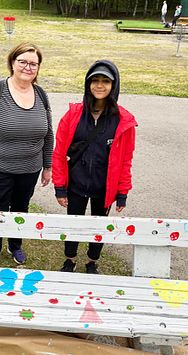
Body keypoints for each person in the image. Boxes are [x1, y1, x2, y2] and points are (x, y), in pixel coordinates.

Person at [0, 42, 53, 267]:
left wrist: (47, 166)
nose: (28, 67)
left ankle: (15, 245)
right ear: (12, 63)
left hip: (30, 169)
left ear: (38, 68)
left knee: (21, 208)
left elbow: (48, 134)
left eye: (33, 63)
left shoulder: (42, 94)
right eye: (23, 62)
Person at [52, 60, 137, 274]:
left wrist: (122, 192)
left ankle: (92, 261)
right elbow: (60, 152)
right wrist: (60, 187)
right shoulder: (73, 115)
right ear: (88, 84)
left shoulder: (123, 120)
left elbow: (126, 159)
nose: (99, 85)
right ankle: (70, 259)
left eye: (105, 81)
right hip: (76, 184)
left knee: (99, 227)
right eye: (95, 81)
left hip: (104, 188)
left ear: (114, 85)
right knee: (74, 224)